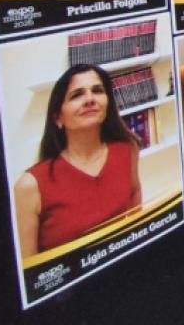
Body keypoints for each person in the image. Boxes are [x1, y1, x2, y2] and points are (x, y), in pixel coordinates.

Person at [13, 65, 141, 257]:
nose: (90, 99)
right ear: (58, 118)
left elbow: (135, 207)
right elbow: (30, 272)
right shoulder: (30, 185)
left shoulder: (127, 149)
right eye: (77, 95)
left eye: (97, 91)